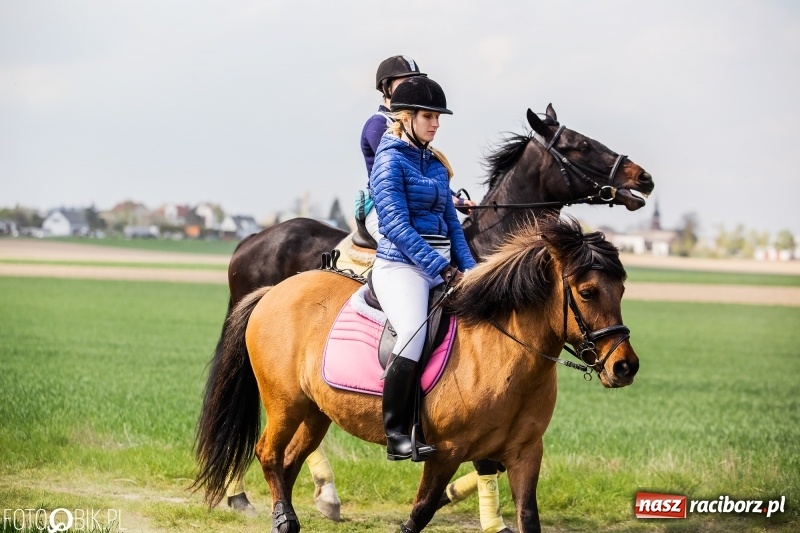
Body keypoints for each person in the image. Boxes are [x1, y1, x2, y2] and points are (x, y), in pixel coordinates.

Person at [369, 76, 476, 462]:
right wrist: (442, 269)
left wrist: (472, 271)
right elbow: (396, 226)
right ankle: (397, 432)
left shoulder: (435, 164)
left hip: (439, 266)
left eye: (438, 117)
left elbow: (453, 226)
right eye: (429, 116)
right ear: (407, 117)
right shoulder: (389, 159)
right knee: (413, 334)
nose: (436, 124)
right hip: (401, 268)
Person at [359, 56, 475, 245]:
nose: (412, 85)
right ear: (386, 87)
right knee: (395, 246)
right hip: (383, 205)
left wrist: (454, 198)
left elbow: (426, 171)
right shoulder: (378, 123)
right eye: (405, 81)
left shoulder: (416, 124)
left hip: (414, 202)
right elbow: (407, 169)